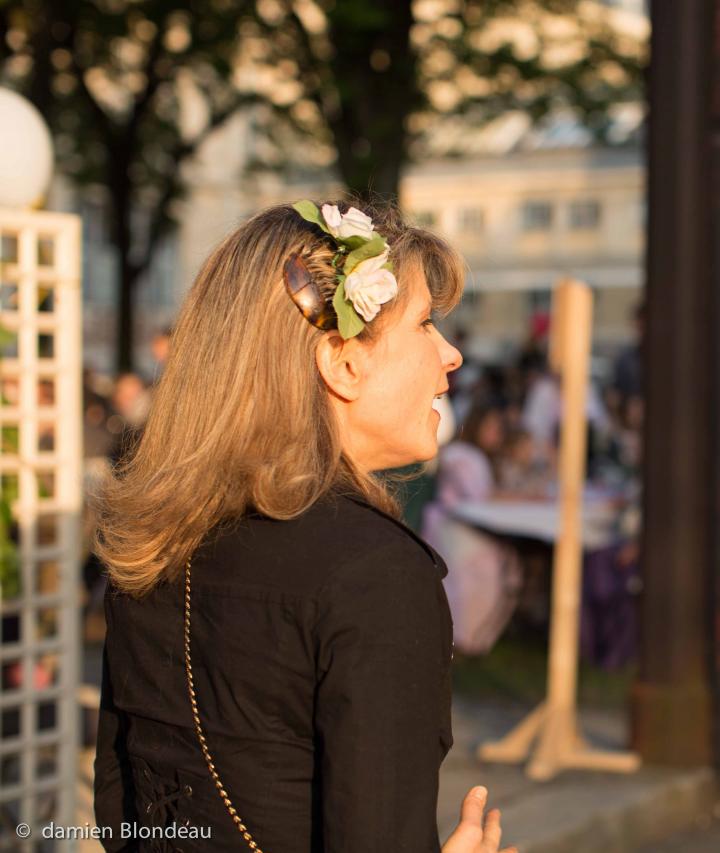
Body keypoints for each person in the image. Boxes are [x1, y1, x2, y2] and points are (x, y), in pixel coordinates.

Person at [93, 201, 514, 853]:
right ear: (342, 362)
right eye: (427, 325)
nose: (451, 355)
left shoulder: (152, 539)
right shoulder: (374, 574)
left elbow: (122, 810)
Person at [423, 401, 523, 655]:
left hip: (464, 529)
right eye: (490, 427)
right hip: (456, 531)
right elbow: (477, 497)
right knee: (491, 566)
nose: (495, 434)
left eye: (498, 428)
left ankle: (475, 636)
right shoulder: (463, 457)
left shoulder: (476, 458)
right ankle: (466, 638)